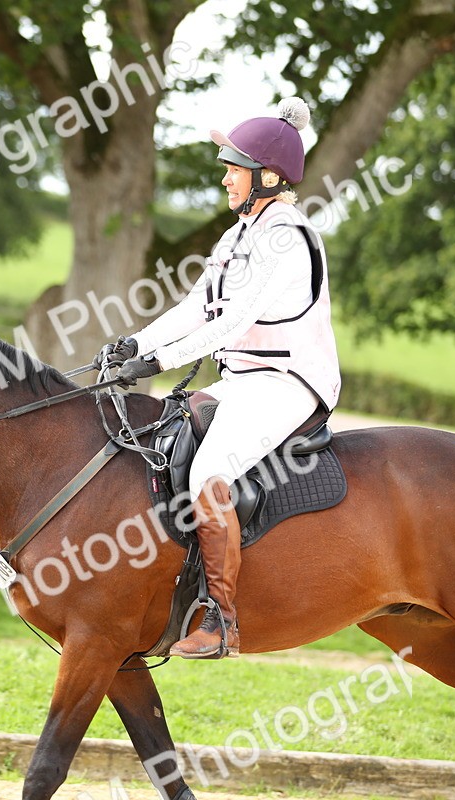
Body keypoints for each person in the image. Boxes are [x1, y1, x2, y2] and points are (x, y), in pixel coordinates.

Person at [95, 97, 341, 659]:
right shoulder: (237, 235)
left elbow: (232, 321)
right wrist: (139, 342)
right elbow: (194, 307)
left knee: (209, 469)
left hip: (289, 382)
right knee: (165, 438)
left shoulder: (286, 236)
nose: (225, 176)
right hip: (245, 379)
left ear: (268, 176)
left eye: (234, 167)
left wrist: (156, 365)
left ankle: (221, 620)